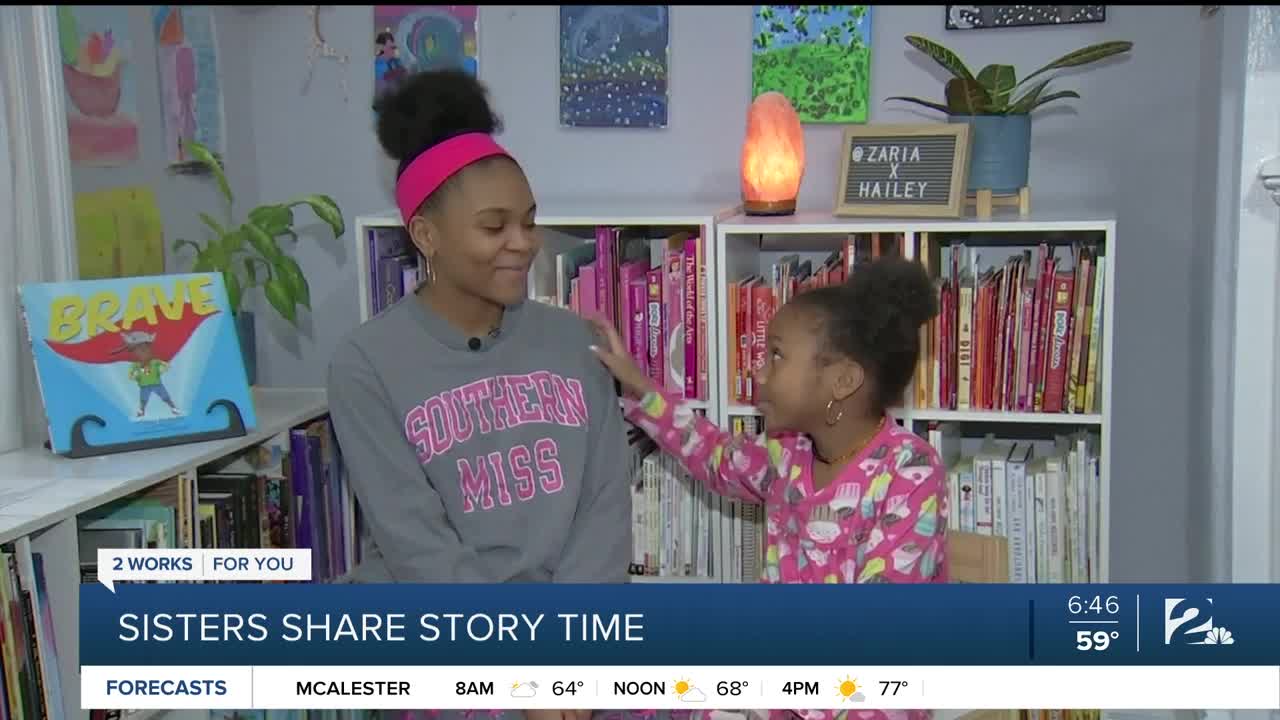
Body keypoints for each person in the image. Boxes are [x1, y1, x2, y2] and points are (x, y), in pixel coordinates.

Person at [328, 66, 635, 720]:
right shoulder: (365, 364)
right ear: (427, 235)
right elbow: (417, 544)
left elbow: (605, 505)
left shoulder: (574, 341)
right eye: (494, 227)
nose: (522, 244)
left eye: (528, 221)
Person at [591, 257, 948, 720]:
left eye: (776, 356)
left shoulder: (910, 472)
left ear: (843, 380)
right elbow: (715, 456)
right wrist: (638, 387)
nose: (759, 373)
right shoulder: (789, 452)